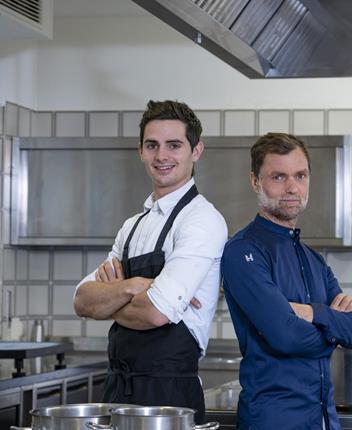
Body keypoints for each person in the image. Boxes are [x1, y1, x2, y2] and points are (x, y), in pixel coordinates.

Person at [74, 100, 228, 423]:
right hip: (116, 391)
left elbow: (155, 312)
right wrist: (136, 285)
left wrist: (114, 296)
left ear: (196, 151)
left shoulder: (201, 220)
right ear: (140, 151)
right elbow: (83, 300)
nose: (162, 156)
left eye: (174, 145)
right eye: (152, 145)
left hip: (169, 398)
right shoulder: (132, 227)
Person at [221, 132, 352, 430]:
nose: (293, 187)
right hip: (274, 420)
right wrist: (333, 330)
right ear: (255, 181)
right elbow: (286, 336)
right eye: (279, 177)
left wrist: (313, 313)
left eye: (300, 175)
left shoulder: (315, 260)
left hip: (322, 420)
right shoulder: (243, 251)